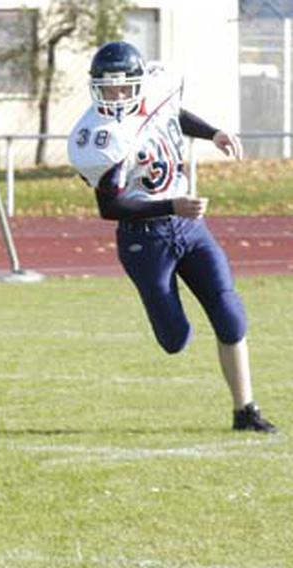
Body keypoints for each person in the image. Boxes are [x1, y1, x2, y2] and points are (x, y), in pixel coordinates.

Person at [67, 41, 277, 433]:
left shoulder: (155, 90)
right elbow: (109, 209)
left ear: (138, 83)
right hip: (143, 240)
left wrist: (212, 133)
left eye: (122, 87)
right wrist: (170, 207)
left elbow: (170, 115)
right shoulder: (95, 136)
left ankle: (245, 410)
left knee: (230, 315)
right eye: (106, 88)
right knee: (175, 338)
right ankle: (172, 326)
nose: (114, 96)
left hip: (190, 229)